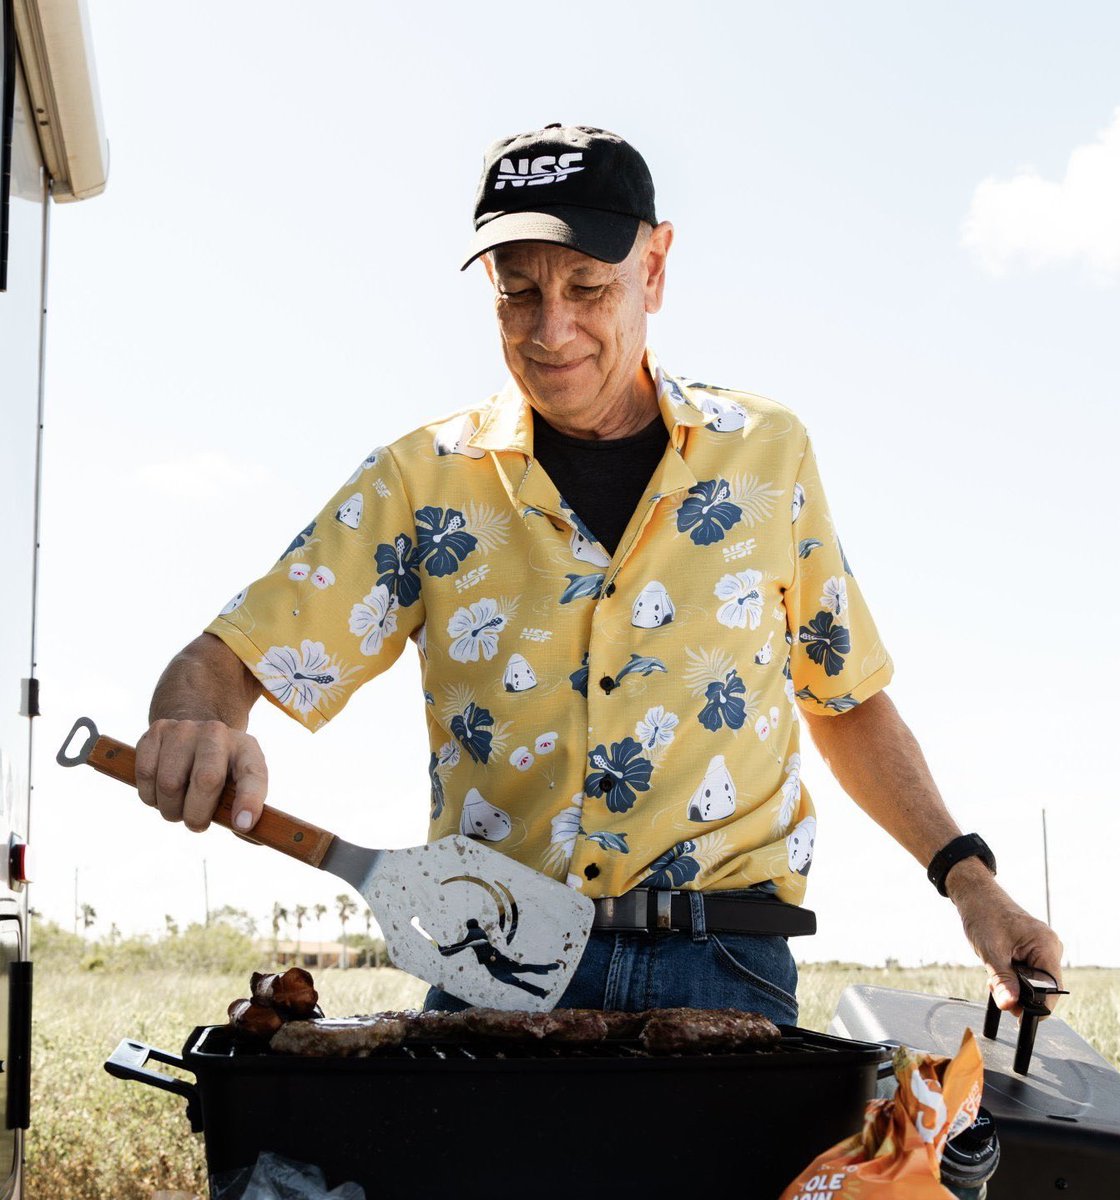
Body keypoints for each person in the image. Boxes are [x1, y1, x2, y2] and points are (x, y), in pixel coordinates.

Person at [135, 123, 1062, 1023]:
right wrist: (194, 722)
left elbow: (844, 697)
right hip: (490, 962)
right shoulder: (421, 481)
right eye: (517, 292)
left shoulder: (765, 456)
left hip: (725, 962)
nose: (552, 328)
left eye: (588, 286)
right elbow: (226, 659)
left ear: (653, 269)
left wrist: (970, 882)